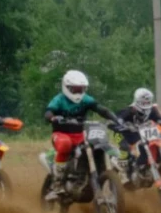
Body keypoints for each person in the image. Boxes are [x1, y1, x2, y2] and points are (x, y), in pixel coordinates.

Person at [43, 70, 122, 201]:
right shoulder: (59, 99)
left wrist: (115, 119)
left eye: (81, 89)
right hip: (61, 134)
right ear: (67, 87)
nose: (78, 92)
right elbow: (48, 112)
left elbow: (101, 109)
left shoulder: (86, 99)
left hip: (81, 134)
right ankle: (57, 185)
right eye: (75, 89)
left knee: (100, 144)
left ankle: (108, 173)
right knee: (65, 144)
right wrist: (53, 118)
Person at [115, 88, 161, 178]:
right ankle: (126, 172)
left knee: (149, 144)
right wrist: (119, 123)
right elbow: (118, 118)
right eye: (144, 102)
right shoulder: (129, 111)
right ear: (137, 101)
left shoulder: (152, 110)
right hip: (126, 133)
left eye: (148, 102)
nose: (146, 104)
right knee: (126, 149)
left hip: (141, 133)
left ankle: (147, 165)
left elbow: (158, 117)